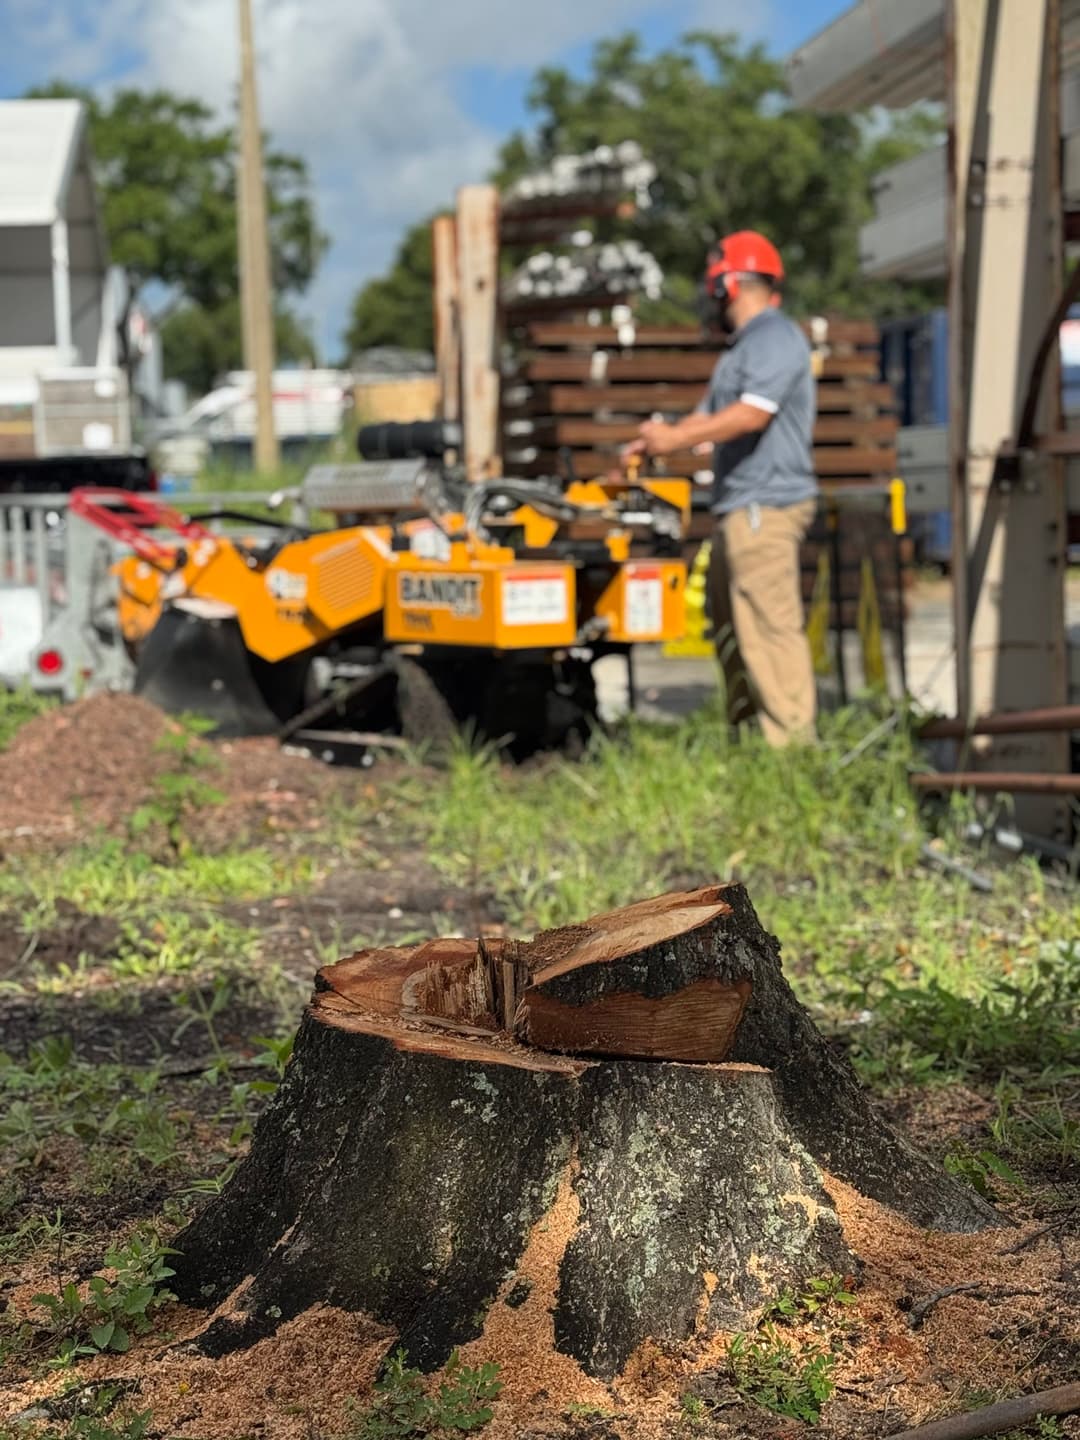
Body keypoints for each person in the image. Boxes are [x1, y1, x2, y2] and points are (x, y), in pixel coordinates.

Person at [622, 231, 818, 746]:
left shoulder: (774, 336)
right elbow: (708, 417)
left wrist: (677, 436)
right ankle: (750, 745)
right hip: (740, 510)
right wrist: (655, 444)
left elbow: (752, 414)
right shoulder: (742, 350)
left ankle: (792, 759)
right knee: (732, 628)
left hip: (767, 507)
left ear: (729, 281)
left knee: (770, 632)